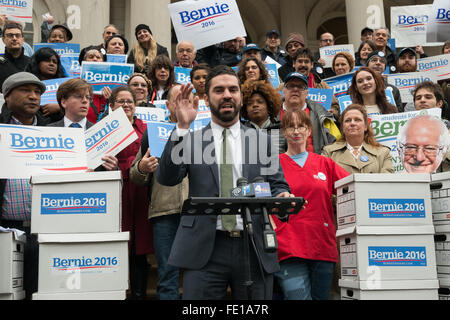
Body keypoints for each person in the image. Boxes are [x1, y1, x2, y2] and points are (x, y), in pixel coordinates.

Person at [156, 65, 294, 300]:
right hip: (203, 249)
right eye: (219, 90)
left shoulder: (263, 141)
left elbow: (277, 185)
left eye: (233, 89)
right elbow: (167, 178)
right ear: (207, 99)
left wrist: (282, 196)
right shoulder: (191, 139)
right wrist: (181, 127)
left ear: (241, 96)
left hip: (253, 245)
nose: (227, 95)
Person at [273, 108, 349, 300]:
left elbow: (352, 188)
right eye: (291, 127)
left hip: (322, 244)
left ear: (309, 130)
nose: (296, 131)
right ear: (284, 132)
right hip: (288, 245)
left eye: (301, 126)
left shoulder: (325, 163)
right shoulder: (274, 165)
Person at [130, 84, 189, 300]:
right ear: (168, 105)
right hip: (164, 213)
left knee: (200, 275)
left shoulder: (205, 133)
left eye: (188, 99)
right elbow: (135, 174)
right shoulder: (154, 132)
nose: (184, 104)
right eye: (179, 100)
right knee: (167, 274)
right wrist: (142, 169)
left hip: (198, 213)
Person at [0, 72, 48, 300]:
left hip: (44, 231)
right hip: (5, 230)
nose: (33, 96)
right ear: (7, 96)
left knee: (39, 292)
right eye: (25, 90)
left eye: (37, 92)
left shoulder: (55, 132)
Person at [108, 86, 154, 300]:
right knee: (118, 244)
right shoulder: (104, 129)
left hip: (140, 189)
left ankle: (139, 293)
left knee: (139, 246)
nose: (126, 105)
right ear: (111, 106)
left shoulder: (145, 127)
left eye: (130, 102)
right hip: (115, 191)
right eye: (121, 101)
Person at [47, 78, 119, 171]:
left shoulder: (102, 133)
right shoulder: (48, 132)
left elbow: (114, 174)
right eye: (78, 96)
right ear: (64, 102)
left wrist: (113, 168)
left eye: (88, 97)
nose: (85, 101)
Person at [278, 72, 341, 154]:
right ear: (284, 90)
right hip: (279, 165)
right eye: (291, 86)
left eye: (300, 87)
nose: (295, 89)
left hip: (316, 165)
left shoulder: (322, 115)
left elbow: (337, 145)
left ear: (307, 93)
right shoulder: (271, 115)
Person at [322, 104, 394, 173]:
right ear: (342, 127)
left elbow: (386, 183)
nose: (352, 123)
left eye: (357, 120)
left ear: (366, 126)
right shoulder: (329, 153)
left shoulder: (383, 153)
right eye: (348, 120)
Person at [291, 48, 341, 120]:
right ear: (294, 63)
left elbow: (336, 107)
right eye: (300, 61)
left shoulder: (322, 86)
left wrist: (332, 112)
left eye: (306, 62)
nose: (303, 65)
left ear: (312, 65)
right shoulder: (284, 86)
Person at [241, 79, 284, 154]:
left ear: (269, 106)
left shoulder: (283, 130)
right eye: (250, 103)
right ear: (245, 108)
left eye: (260, 102)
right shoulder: (240, 133)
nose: (255, 105)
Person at [25, 47, 66, 122]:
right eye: (47, 60)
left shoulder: (65, 85)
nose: (51, 64)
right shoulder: (25, 82)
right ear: (37, 63)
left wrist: (60, 107)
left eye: (55, 62)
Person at [0, 22, 31, 89]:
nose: (14, 38)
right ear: (3, 40)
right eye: (10, 35)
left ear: (22, 40)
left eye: (18, 35)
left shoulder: (32, 63)